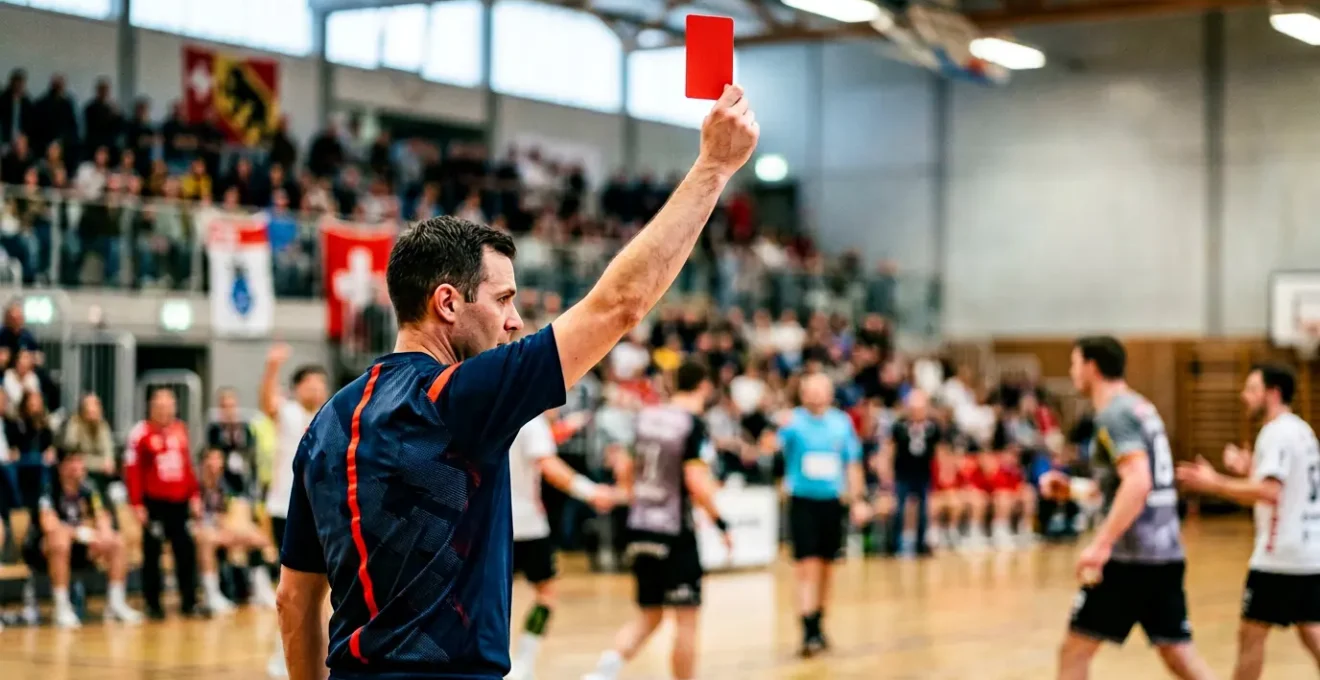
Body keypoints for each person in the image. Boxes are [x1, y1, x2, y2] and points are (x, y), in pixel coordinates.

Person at [273, 85, 758, 680]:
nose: (516, 320)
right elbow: (620, 305)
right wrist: (712, 168)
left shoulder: (326, 424)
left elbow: (294, 601)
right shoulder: (459, 397)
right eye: (503, 299)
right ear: (447, 303)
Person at [1039, 336, 1214, 680]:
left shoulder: (1114, 415)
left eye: (1074, 363)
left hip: (1130, 558)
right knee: (1179, 655)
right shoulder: (1139, 407)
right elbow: (1124, 487)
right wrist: (1071, 489)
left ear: (1091, 367)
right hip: (1164, 554)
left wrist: (1099, 545)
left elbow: (1138, 482)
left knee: (1074, 651)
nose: (1072, 371)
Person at [582, 361, 731, 680]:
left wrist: (627, 494)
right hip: (674, 532)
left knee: (649, 616)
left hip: (638, 527)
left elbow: (625, 467)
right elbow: (695, 480)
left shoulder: (646, 417)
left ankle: (601, 674)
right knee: (686, 620)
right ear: (704, 386)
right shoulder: (692, 424)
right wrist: (721, 523)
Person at [1176, 363, 1320, 679]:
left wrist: (1215, 483)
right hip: (1309, 551)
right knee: (1310, 631)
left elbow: (1270, 491)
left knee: (1251, 637)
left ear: (1273, 393)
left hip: (1279, 556)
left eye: (1252, 389)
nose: (1244, 396)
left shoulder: (1276, 432)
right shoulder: (1300, 429)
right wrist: (1250, 468)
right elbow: (1286, 482)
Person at [507, 340, 619, 680]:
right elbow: (549, 466)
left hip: (492, 525)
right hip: (526, 525)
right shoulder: (533, 423)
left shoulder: (504, 416)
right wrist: (591, 491)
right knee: (546, 594)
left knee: (490, 599)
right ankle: (522, 663)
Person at [776, 372, 868, 657]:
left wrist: (858, 500)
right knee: (806, 566)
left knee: (827, 567)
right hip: (802, 501)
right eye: (810, 390)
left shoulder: (841, 424)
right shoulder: (793, 422)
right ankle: (807, 630)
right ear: (803, 393)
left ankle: (820, 623)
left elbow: (852, 463)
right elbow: (769, 448)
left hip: (831, 502)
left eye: (821, 390)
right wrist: (774, 428)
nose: (816, 395)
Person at [260, 344, 329, 678]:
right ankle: (281, 656)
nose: (316, 388)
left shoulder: (331, 416)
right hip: (283, 510)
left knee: (321, 591)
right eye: (310, 383)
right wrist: (272, 368)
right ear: (297, 387)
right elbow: (266, 403)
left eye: (321, 383)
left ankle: (320, 654)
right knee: (291, 590)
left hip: (322, 510)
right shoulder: (286, 412)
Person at [24, 448, 142, 627]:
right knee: (59, 539)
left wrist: (102, 533)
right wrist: (81, 533)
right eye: (72, 461)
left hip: (80, 547)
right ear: (62, 467)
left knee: (116, 541)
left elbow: (102, 516)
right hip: (44, 551)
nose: (78, 466)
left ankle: (116, 603)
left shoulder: (90, 488)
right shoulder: (48, 488)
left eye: (80, 461)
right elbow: (49, 525)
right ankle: (61, 606)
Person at [125, 387, 202, 620]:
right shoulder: (141, 433)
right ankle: (153, 604)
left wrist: (194, 495)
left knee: (185, 550)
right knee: (153, 553)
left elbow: (187, 465)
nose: (165, 409)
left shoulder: (180, 430)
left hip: (179, 502)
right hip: (154, 503)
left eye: (170, 404)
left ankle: (189, 602)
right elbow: (132, 470)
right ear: (151, 407)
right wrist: (137, 503)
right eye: (160, 405)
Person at [195, 447, 278, 613]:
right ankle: (212, 595)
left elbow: (228, 514)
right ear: (202, 464)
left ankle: (261, 589)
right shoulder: (195, 486)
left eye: (218, 459)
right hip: (200, 531)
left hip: (222, 530)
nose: (215, 464)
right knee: (208, 540)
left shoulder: (224, 487)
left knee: (256, 537)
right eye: (210, 460)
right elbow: (197, 517)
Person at [881, 389, 944, 556]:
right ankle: (895, 544)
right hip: (903, 474)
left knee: (924, 511)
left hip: (923, 475)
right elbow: (889, 449)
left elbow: (940, 452)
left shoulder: (933, 428)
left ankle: (921, 544)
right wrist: (886, 471)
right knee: (900, 510)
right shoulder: (899, 426)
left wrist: (942, 473)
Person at [206, 387, 259, 496]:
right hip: (223, 480)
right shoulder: (215, 430)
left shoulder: (246, 428)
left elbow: (251, 455)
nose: (228, 411)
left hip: (243, 479)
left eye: (231, 406)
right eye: (224, 407)